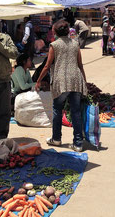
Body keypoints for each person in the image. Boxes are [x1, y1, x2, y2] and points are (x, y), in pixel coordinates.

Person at [34, 20, 87, 152]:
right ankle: (78, 143)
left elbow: (47, 65)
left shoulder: (54, 45)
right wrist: (84, 81)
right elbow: (80, 65)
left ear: (55, 32)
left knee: (57, 109)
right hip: (75, 81)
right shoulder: (75, 44)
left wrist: (39, 80)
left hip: (61, 82)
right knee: (75, 112)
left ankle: (56, 139)